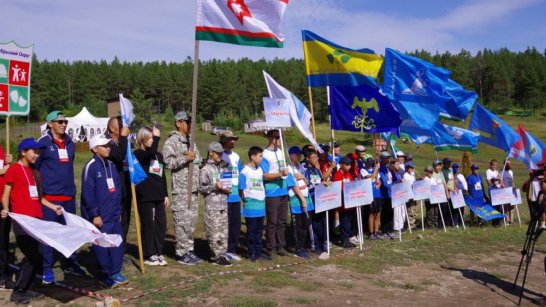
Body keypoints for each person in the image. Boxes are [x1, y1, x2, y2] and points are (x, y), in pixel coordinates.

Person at [1, 138, 62, 304]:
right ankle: (18, 291)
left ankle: (27, 288)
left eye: (38, 152)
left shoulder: (35, 171)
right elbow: (6, 194)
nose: (37, 154)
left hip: (37, 221)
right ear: (23, 152)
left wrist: (53, 207)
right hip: (22, 222)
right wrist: (6, 209)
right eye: (34, 151)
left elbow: (39, 198)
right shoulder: (14, 169)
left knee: (39, 254)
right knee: (32, 254)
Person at [36, 111, 85, 284]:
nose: (64, 124)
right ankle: (46, 269)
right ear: (50, 124)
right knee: (49, 235)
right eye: (60, 122)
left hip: (68, 197)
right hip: (49, 199)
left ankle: (71, 263)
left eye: (65, 122)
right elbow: (35, 168)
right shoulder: (42, 144)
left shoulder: (70, 143)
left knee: (70, 233)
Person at [81, 135, 128, 288]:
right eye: (103, 146)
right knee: (102, 246)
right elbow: (88, 192)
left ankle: (115, 272)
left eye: (108, 145)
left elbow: (117, 189)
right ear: (94, 149)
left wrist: (119, 210)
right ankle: (105, 274)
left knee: (117, 243)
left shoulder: (111, 166)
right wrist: (94, 214)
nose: (108, 148)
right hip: (100, 216)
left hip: (113, 214)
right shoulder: (91, 166)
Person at [163, 111, 202, 265]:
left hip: (193, 189)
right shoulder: (172, 141)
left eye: (191, 122)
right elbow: (167, 162)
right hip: (181, 189)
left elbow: (197, 161)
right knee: (181, 222)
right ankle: (181, 253)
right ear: (178, 123)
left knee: (191, 222)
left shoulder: (191, 141)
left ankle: (189, 250)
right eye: (187, 122)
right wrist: (185, 158)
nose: (190, 125)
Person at [133, 127, 168, 266]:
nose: (152, 140)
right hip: (145, 195)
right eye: (150, 138)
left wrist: (165, 194)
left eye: (153, 138)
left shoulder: (157, 155)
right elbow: (149, 154)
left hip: (158, 194)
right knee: (148, 224)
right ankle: (149, 253)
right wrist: (158, 138)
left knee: (161, 224)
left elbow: (162, 175)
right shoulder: (139, 154)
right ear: (142, 139)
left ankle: (158, 251)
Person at [261, 130, 295, 256]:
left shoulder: (281, 152)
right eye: (276, 137)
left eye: (280, 137)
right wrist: (280, 174)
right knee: (272, 221)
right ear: (270, 138)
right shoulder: (265, 154)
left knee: (282, 220)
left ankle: (281, 245)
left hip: (283, 190)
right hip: (272, 191)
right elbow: (264, 175)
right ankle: (271, 246)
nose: (279, 140)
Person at [199, 142, 232, 266]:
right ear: (210, 152)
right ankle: (216, 256)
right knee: (214, 231)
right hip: (212, 205)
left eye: (221, 152)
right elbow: (201, 188)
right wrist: (214, 187)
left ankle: (222, 254)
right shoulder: (205, 169)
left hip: (223, 203)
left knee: (223, 231)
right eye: (217, 153)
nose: (220, 155)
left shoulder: (224, 167)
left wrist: (228, 189)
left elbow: (228, 184)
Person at [239, 146, 270, 261]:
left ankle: (259, 251)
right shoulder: (245, 172)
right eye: (260, 156)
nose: (262, 158)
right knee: (251, 232)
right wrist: (246, 202)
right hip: (250, 207)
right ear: (252, 157)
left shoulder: (261, 170)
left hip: (260, 207)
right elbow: (241, 189)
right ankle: (251, 252)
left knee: (259, 231)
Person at [105, 117, 132, 242]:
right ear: (112, 128)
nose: (123, 128)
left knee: (125, 219)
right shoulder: (106, 143)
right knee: (116, 220)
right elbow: (119, 155)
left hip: (125, 187)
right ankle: (114, 248)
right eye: (120, 125)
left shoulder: (122, 143)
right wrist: (124, 137)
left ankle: (122, 247)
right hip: (113, 190)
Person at [219, 131, 243, 262]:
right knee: (224, 225)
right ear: (223, 140)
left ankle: (232, 250)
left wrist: (241, 193)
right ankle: (222, 249)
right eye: (230, 139)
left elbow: (239, 175)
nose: (233, 141)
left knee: (235, 225)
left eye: (234, 139)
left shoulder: (236, 156)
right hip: (223, 196)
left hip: (235, 197)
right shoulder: (218, 155)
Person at [287, 146, 312, 259]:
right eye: (296, 154)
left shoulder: (301, 167)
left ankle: (303, 245)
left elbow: (307, 182)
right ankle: (298, 247)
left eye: (300, 155)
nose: (299, 157)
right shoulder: (289, 169)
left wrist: (302, 177)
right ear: (291, 155)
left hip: (306, 197)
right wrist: (302, 199)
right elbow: (293, 185)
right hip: (296, 200)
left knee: (306, 224)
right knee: (298, 225)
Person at [304, 149, 328, 253]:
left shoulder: (317, 170)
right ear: (307, 159)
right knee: (314, 223)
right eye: (313, 157)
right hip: (312, 199)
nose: (316, 159)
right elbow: (307, 185)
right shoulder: (306, 170)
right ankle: (315, 244)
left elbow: (322, 181)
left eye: (316, 157)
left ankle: (323, 243)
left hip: (321, 199)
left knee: (322, 222)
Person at [332, 156, 356, 248]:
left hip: (350, 202)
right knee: (345, 222)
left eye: (350, 164)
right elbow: (338, 188)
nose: (349, 166)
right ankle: (344, 240)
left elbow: (352, 185)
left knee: (349, 222)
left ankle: (347, 238)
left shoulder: (349, 174)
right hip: (343, 203)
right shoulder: (338, 175)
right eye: (347, 164)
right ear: (341, 165)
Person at [0, 144, 13, 289]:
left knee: (4, 238)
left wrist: (9, 162)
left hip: (4, 199)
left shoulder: (1, 148)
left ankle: (3, 272)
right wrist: (2, 170)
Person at [360, 158, 382, 240]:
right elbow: (370, 179)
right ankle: (371, 232)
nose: (369, 164)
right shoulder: (363, 170)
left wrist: (379, 184)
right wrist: (376, 169)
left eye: (370, 163)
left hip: (377, 194)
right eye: (368, 163)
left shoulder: (374, 169)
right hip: (370, 195)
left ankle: (376, 232)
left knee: (378, 214)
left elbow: (379, 180)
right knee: (371, 214)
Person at [378, 152, 394, 239]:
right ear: (382, 158)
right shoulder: (380, 168)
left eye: (388, 157)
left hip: (390, 194)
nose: (388, 159)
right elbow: (384, 182)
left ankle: (390, 230)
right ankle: (384, 231)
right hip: (383, 195)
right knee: (385, 213)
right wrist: (393, 187)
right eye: (386, 158)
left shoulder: (388, 168)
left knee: (390, 213)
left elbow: (390, 180)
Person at [441, 158, 459, 227]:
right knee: (446, 209)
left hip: (453, 191)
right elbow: (443, 183)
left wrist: (455, 187)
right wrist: (450, 189)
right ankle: (447, 223)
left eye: (449, 163)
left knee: (454, 207)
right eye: (448, 163)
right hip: (447, 192)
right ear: (444, 164)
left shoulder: (450, 170)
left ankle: (454, 222)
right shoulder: (442, 172)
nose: (449, 164)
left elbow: (453, 180)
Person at [432, 160, 449, 228]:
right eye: (437, 166)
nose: (439, 167)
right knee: (437, 210)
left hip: (442, 194)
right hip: (435, 195)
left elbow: (444, 184)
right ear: (434, 167)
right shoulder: (432, 173)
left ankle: (443, 223)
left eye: (440, 166)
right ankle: (438, 224)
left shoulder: (441, 173)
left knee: (444, 209)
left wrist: (447, 193)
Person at [403, 162, 418, 230]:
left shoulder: (411, 175)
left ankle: (412, 224)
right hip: (409, 195)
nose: (412, 169)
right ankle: (410, 225)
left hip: (413, 194)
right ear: (406, 168)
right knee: (410, 210)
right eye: (411, 168)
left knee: (414, 210)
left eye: (412, 168)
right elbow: (408, 185)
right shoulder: (405, 175)